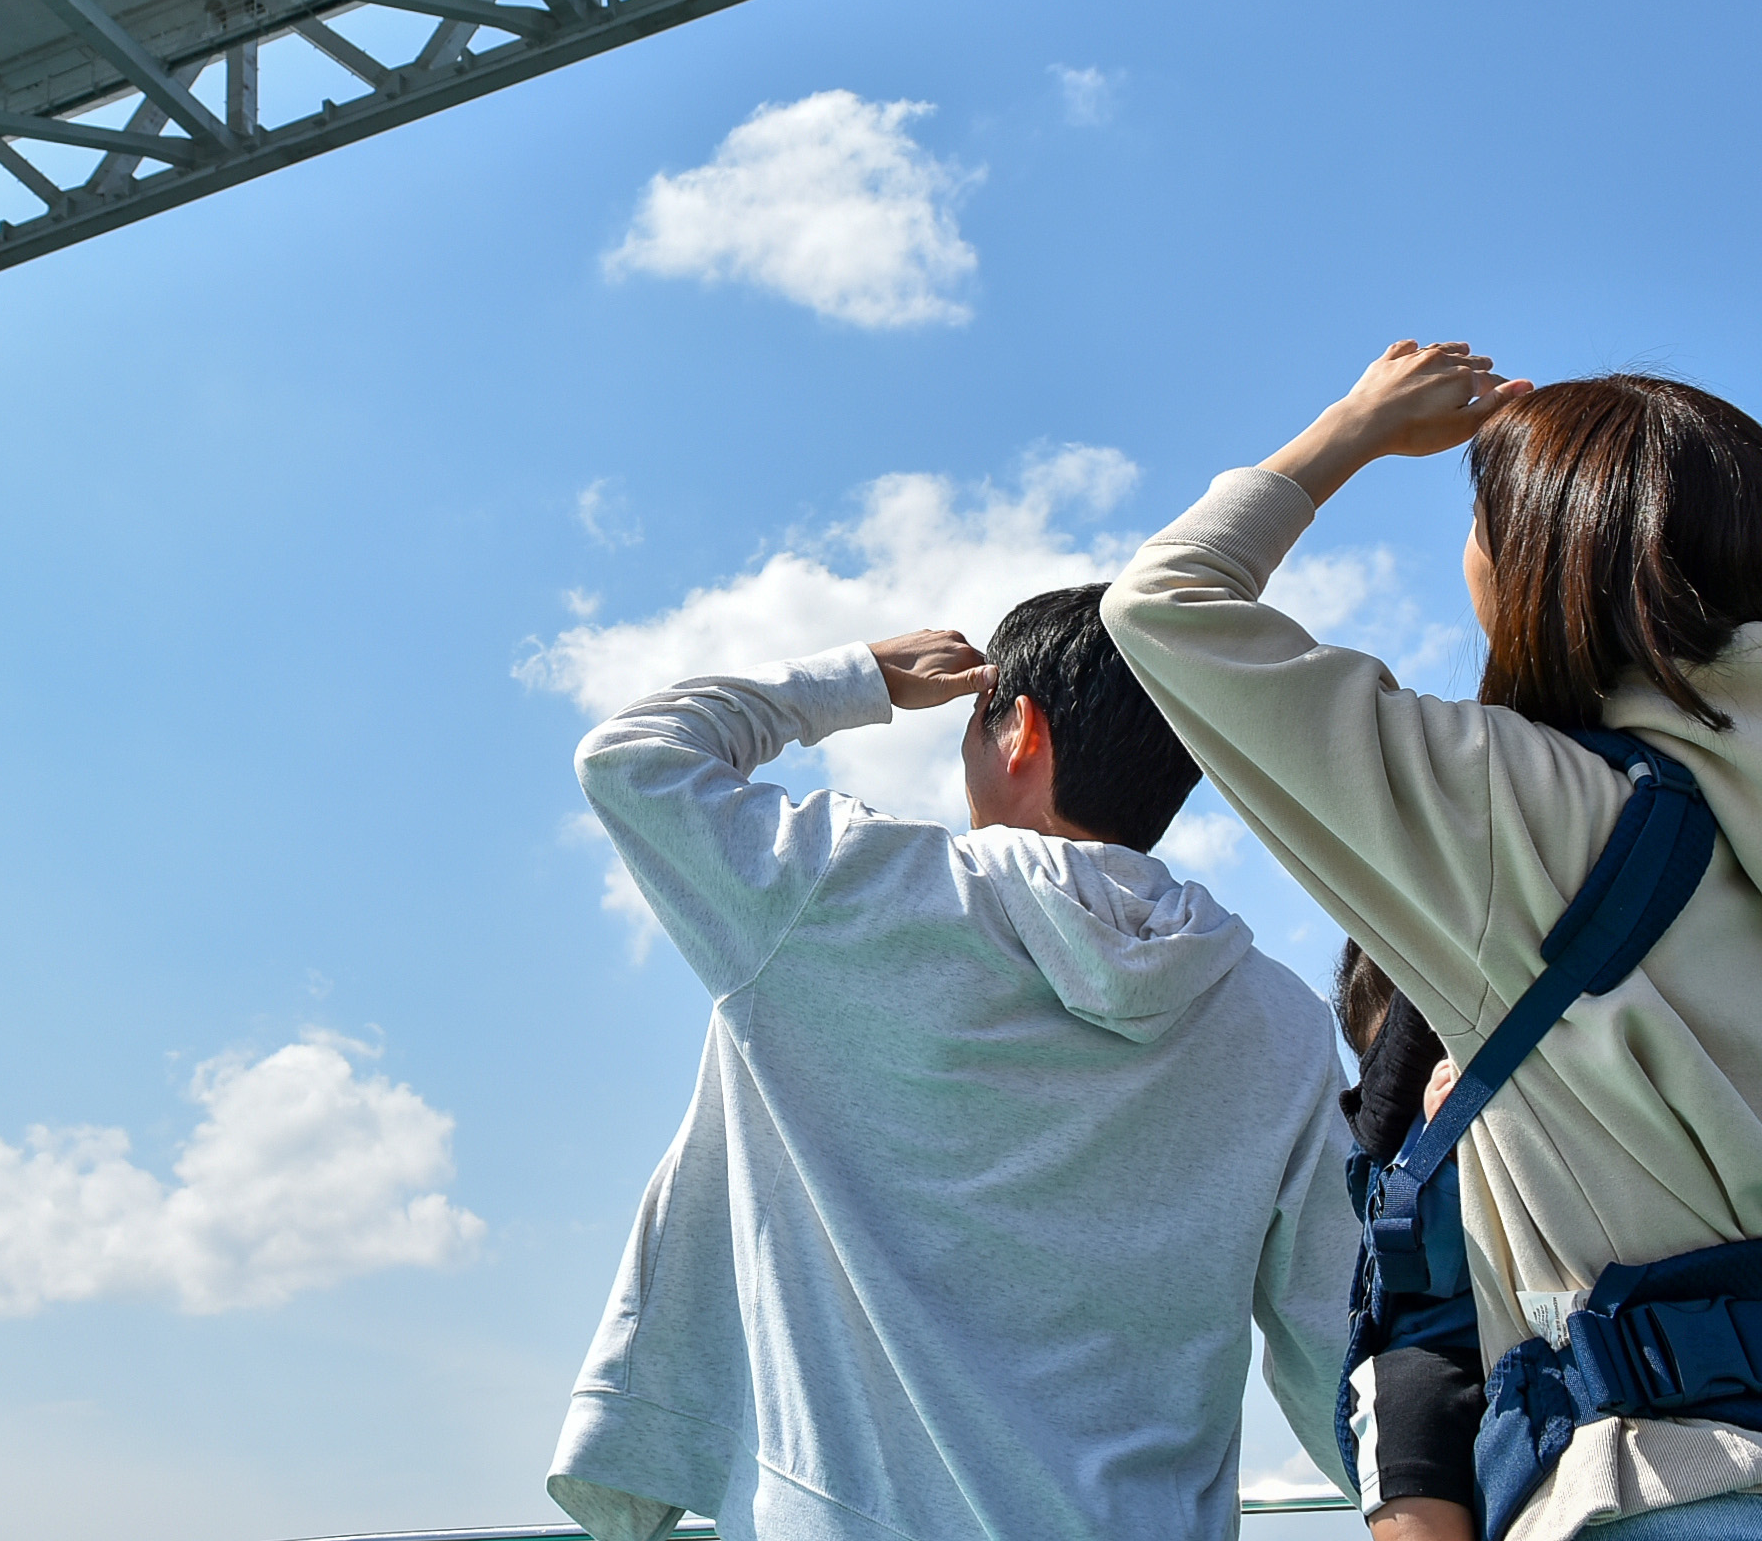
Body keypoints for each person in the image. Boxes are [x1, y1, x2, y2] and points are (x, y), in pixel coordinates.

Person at [1101, 344, 1762, 1541]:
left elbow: (1165, 604)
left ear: (1545, 555)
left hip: (1662, 1493)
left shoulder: (1514, 808)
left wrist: (1350, 426)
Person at [546, 585, 1359, 1541]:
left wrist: (859, 681)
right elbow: (1333, 1343)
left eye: (976, 723)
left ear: (1019, 731)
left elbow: (634, 757)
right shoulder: (1283, 1022)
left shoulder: (848, 895)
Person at [1331, 945, 1482, 1541]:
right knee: (1402, 1403)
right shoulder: (1398, 1148)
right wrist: (1439, 1138)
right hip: (1443, 1346)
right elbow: (1428, 1263)